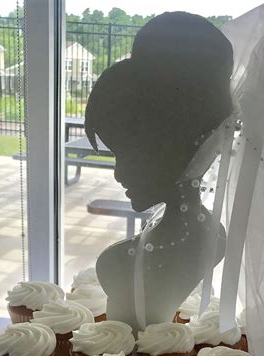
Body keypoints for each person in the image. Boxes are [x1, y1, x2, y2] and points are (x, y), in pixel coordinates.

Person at [85, 12, 234, 331]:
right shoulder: (214, 235)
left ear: (170, 151)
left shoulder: (117, 265)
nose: (117, 174)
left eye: (127, 156)